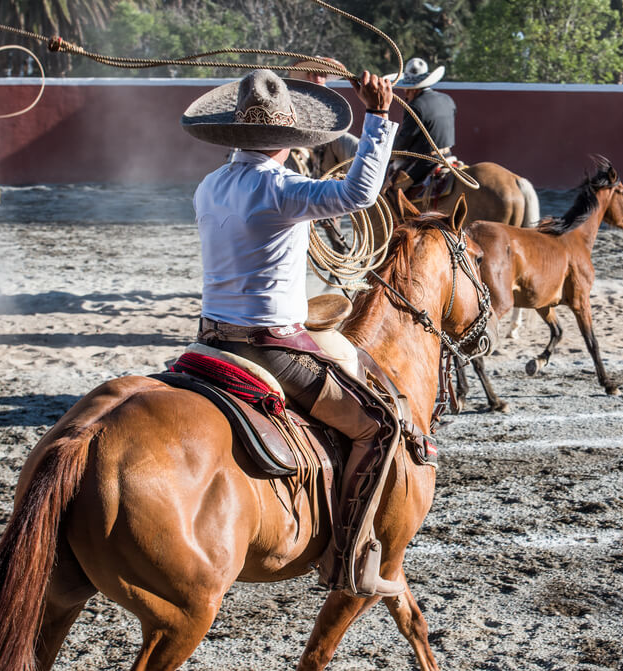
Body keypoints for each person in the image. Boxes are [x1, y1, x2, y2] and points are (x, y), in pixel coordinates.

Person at [181, 68, 403, 597]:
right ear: (290, 139)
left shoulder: (210, 185)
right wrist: (377, 117)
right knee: (380, 427)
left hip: (209, 340)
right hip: (272, 346)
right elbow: (361, 191)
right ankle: (349, 559)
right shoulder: (282, 189)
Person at [386, 57, 455, 191]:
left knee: (392, 189)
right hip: (447, 156)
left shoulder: (416, 106)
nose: (405, 93)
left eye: (406, 89)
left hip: (426, 162)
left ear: (413, 89)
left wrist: (389, 150)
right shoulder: (447, 99)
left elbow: (404, 140)